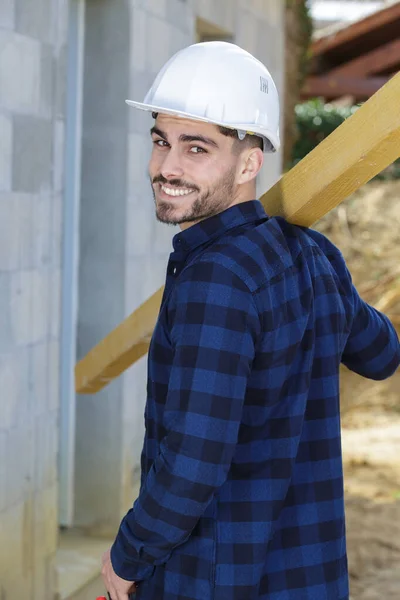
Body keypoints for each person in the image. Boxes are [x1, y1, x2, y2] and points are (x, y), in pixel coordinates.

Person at [101, 42, 400, 600]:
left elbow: (193, 463)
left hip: (216, 578)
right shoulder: (314, 256)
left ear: (248, 163)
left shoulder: (214, 279)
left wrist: (127, 555)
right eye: (161, 141)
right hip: (309, 577)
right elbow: (382, 354)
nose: (167, 166)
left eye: (197, 148)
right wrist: (332, 294)